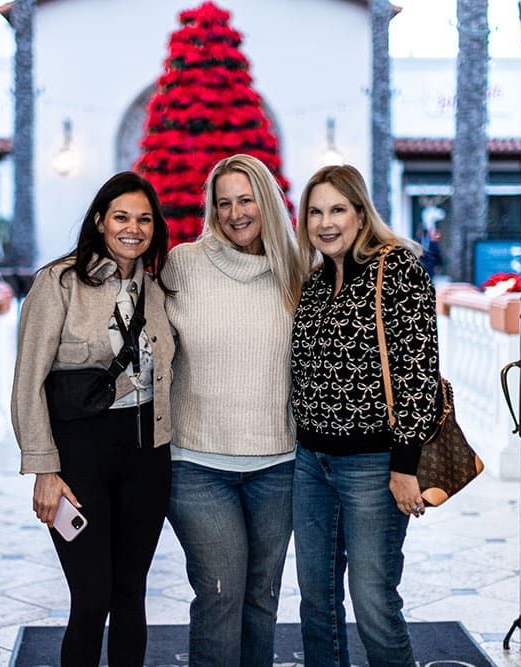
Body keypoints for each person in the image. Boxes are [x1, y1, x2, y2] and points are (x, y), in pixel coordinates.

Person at [11, 171, 175, 666]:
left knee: (130, 594)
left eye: (144, 219)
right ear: (101, 220)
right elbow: (28, 381)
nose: (133, 228)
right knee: (90, 597)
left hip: (146, 455)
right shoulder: (59, 282)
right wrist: (44, 469)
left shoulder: (157, 287)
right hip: (79, 459)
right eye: (122, 217)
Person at [290, 164, 441, 667]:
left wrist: (405, 466)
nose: (325, 223)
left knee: (373, 601)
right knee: (316, 601)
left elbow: (418, 371)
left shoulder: (396, 268)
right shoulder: (315, 281)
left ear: (360, 213)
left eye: (337, 209)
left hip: (374, 466)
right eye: (315, 212)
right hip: (311, 462)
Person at [162, 154, 303, 666]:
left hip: (279, 465)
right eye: (223, 203)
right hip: (197, 464)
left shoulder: (297, 269)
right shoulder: (182, 264)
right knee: (220, 593)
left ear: (266, 201)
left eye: (246, 200)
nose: (235, 213)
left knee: (262, 599)